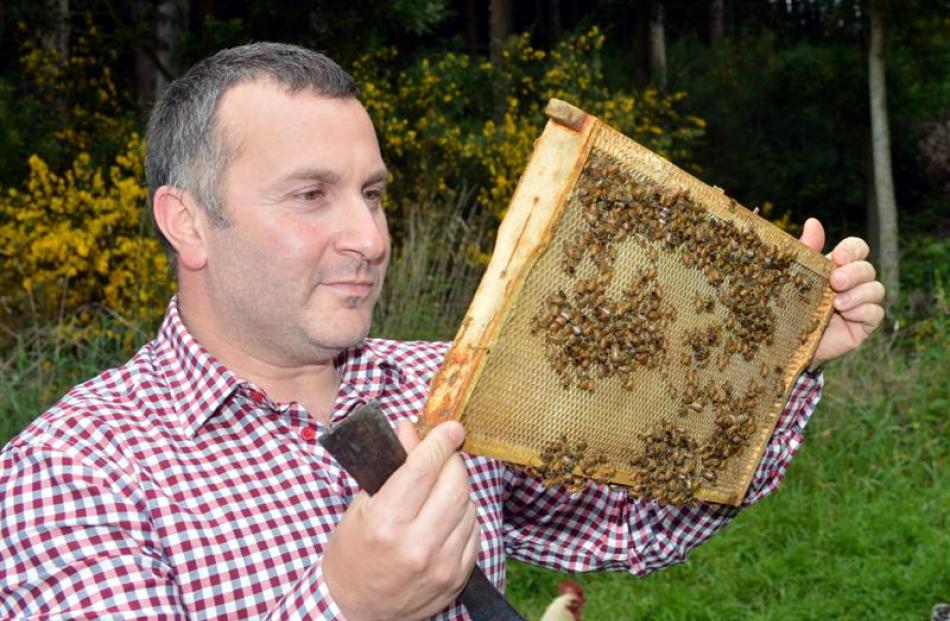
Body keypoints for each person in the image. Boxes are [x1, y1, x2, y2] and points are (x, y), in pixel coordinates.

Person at [0, 42, 885, 620]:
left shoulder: (453, 382)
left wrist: (777, 361)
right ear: (186, 223)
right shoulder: (72, 470)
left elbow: (638, 524)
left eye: (373, 193)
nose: (371, 237)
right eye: (312, 195)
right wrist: (343, 606)